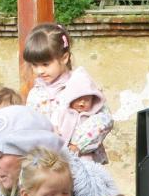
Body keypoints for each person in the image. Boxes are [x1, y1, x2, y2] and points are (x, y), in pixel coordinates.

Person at [23, 23, 114, 162]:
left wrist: (77, 145)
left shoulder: (80, 85)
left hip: (80, 160)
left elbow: (104, 119)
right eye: (34, 65)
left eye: (45, 64)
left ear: (64, 58)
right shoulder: (36, 93)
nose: (39, 71)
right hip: (48, 163)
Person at [53, 67, 114, 163]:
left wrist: (79, 146)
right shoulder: (62, 112)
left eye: (87, 100)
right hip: (60, 154)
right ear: (70, 97)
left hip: (85, 154)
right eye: (78, 99)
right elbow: (54, 126)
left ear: (93, 100)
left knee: (86, 165)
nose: (82, 103)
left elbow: (98, 132)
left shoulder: (96, 117)